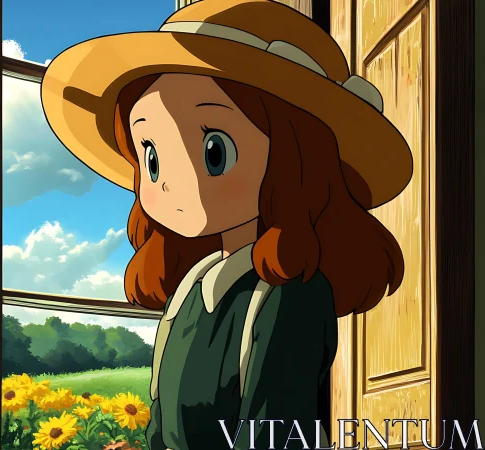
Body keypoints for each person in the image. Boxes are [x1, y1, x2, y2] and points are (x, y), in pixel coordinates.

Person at [40, 0, 411, 448]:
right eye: (152, 158)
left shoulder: (289, 296)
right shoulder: (188, 295)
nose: (176, 183)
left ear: (295, 155)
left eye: (214, 150)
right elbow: (166, 429)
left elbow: (273, 434)